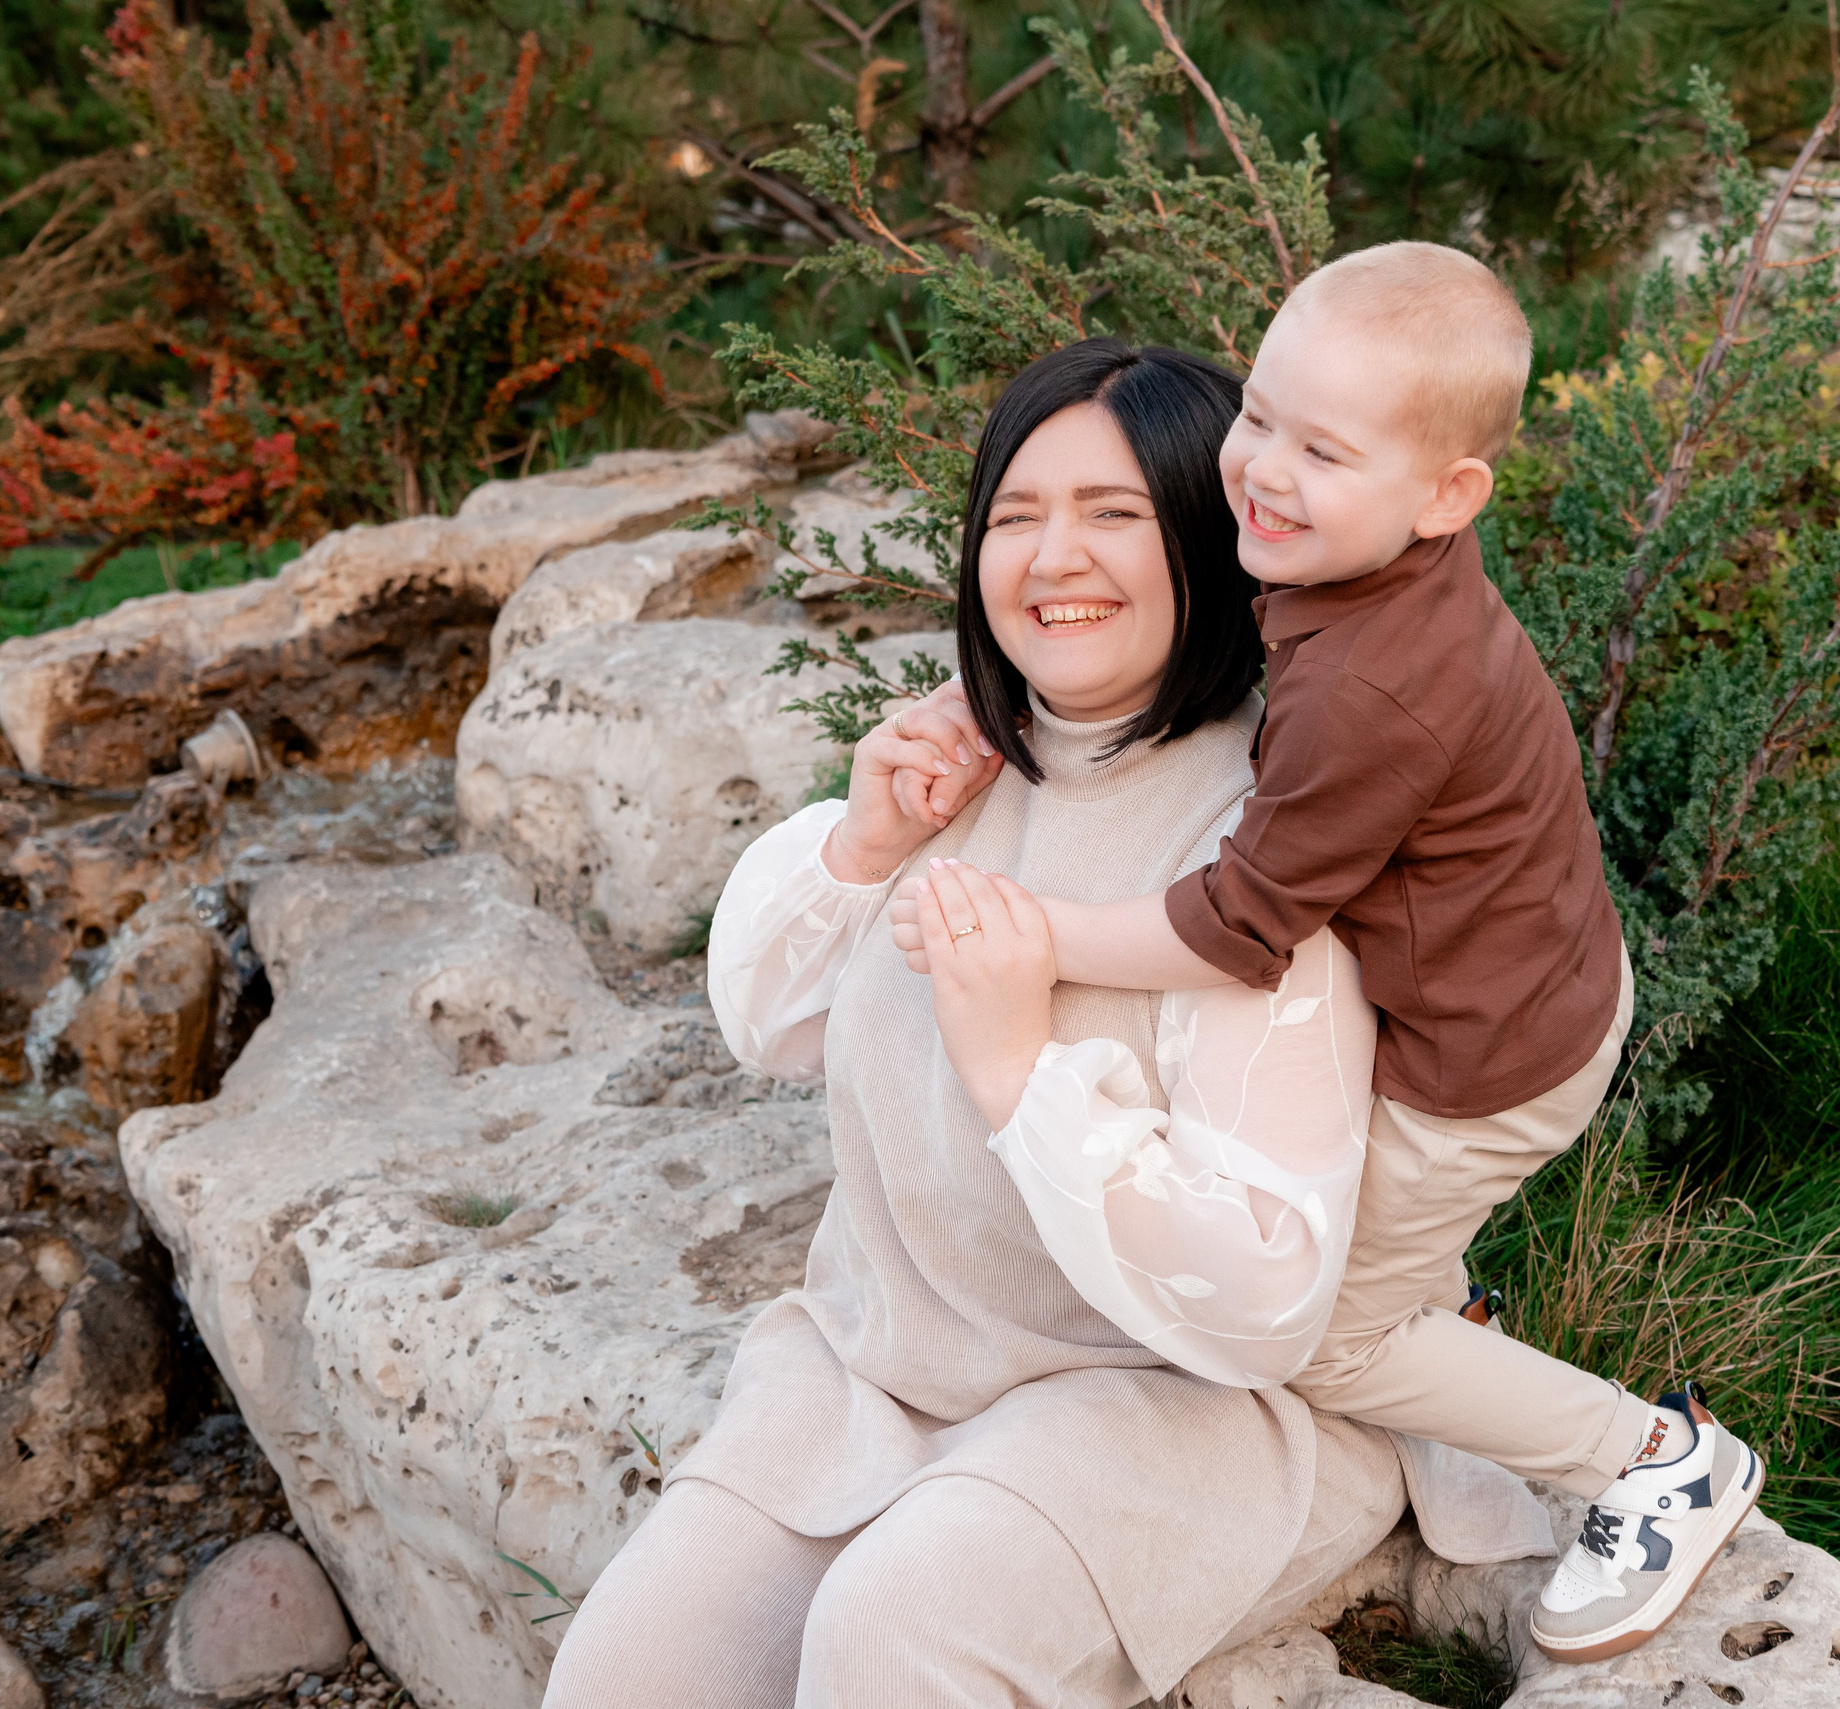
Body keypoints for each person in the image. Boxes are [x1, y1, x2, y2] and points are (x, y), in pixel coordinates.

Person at [538, 337, 1548, 1709]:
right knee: (625, 1676)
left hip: (1196, 1408)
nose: (1051, 556)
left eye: (1113, 515)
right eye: (1016, 515)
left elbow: (1263, 1298)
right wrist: (862, 839)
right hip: (885, 1369)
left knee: (897, 1636)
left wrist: (1020, 1072)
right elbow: (767, 1022)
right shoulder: (968, 756)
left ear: (1215, 534)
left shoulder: (1274, 840)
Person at [888, 243, 1765, 1664]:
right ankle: (1442, 1300)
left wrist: (1040, 937)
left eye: (1326, 451)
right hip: (1514, 976)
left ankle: (1651, 1458)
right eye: (1265, 419)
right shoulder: (1379, 555)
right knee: (1363, 1267)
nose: (1267, 474)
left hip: (1481, 1059)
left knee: (1323, 1336)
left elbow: (1238, 925)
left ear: (1447, 495)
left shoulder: (1374, 691)